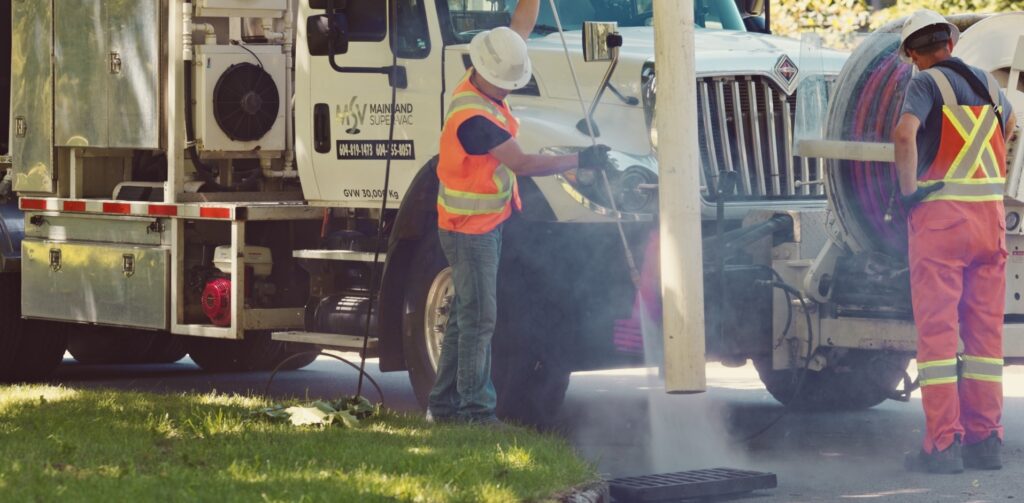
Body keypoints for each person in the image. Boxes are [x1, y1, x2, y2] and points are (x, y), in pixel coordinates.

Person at [427, 0, 612, 426]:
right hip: (470, 231)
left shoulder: (477, 83)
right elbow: (524, 163)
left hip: (473, 226)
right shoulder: (475, 120)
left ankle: (442, 407)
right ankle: (474, 412)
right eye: (507, 82)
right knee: (478, 320)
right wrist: (579, 160)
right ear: (490, 77)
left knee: (461, 319)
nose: (512, 88)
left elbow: (518, 31)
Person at [893, 9, 1017, 474]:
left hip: (941, 227)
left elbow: (905, 135)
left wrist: (908, 193)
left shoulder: (924, 84)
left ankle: (943, 445)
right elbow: (1007, 130)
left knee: (939, 339)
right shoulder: (989, 83)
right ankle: (986, 441)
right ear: (951, 40)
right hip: (989, 226)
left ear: (911, 53)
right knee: (985, 339)